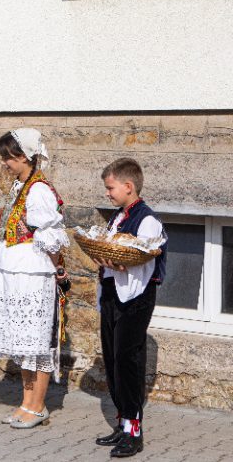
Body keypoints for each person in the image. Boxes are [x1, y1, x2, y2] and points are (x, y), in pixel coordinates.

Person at [0, 129, 69, 429]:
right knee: (23, 341)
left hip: (34, 273)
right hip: (20, 272)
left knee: (36, 342)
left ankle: (38, 405)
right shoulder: (22, 185)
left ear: (25, 156)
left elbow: (50, 236)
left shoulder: (38, 190)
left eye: (9, 157)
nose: (5, 163)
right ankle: (27, 402)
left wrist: (58, 271)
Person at [92, 158, 166, 458]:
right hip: (113, 294)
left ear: (128, 186)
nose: (108, 193)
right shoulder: (118, 216)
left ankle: (134, 432)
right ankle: (122, 423)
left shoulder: (147, 220)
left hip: (134, 298)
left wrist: (119, 263)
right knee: (112, 360)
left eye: (110, 188)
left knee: (128, 362)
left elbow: (144, 257)